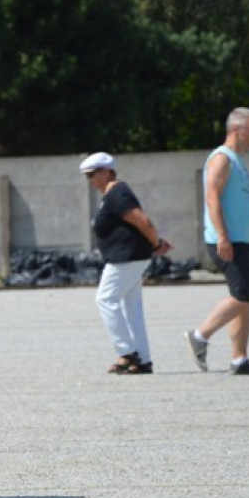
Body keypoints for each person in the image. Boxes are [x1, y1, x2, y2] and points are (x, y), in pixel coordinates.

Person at [185, 107, 249, 376]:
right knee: (243, 296)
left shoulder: (237, 160)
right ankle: (200, 336)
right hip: (227, 240)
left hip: (239, 240)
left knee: (244, 300)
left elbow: (234, 202)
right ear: (236, 130)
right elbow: (212, 197)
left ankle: (239, 359)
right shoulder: (222, 158)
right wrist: (223, 236)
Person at [80, 152, 172, 375]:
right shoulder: (114, 193)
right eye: (87, 176)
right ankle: (143, 359)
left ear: (106, 172)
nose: (90, 180)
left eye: (92, 174)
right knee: (132, 308)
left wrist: (156, 243)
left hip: (126, 257)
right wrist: (154, 244)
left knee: (105, 299)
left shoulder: (117, 192)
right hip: (130, 257)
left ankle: (127, 353)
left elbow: (142, 221)